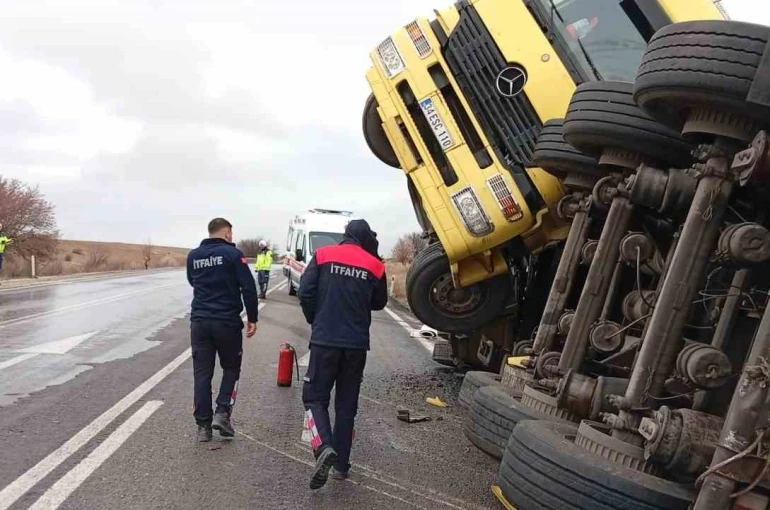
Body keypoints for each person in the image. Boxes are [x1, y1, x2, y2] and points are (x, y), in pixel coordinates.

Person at [299, 219, 388, 489]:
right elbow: (380, 302)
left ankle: (323, 446)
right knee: (347, 405)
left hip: (325, 340)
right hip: (356, 346)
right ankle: (340, 466)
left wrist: (315, 318)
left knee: (314, 398)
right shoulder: (375, 265)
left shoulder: (324, 254)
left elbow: (305, 291)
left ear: (345, 235)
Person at [186, 218, 258, 442]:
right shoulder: (233, 255)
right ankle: (222, 412)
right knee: (231, 368)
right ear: (226, 233)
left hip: (199, 322)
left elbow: (192, 281)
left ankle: (203, 427)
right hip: (226, 322)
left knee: (202, 373)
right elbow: (248, 287)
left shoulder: (193, 256)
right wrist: (252, 318)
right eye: (231, 233)